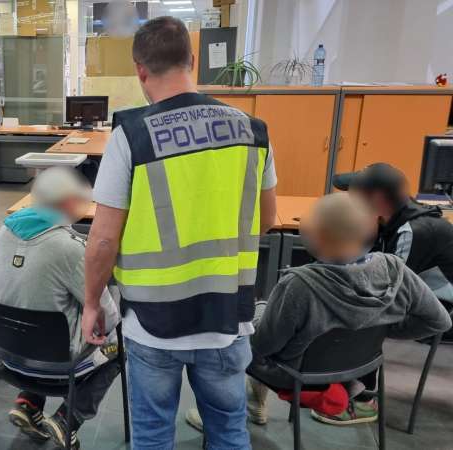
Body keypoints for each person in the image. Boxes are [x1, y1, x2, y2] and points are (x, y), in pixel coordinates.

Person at [81, 16, 278, 450]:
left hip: (154, 322)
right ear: (192, 60)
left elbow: (102, 241)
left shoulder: (130, 135)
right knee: (229, 431)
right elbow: (265, 221)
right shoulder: (253, 131)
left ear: (140, 69)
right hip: (228, 317)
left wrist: (92, 302)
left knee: (152, 434)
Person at [186, 193, 452, 430]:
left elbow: (264, 346)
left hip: (296, 377)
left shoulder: (300, 285)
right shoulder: (394, 269)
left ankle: (223, 415)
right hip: (356, 369)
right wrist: (383, 327)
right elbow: (438, 320)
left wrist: (255, 315)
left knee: (239, 330)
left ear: (317, 238)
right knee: (268, 320)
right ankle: (254, 398)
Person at [0, 167, 122, 450]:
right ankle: (67, 419)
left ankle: (27, 402)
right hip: (55, 367)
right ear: (69, 202)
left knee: (38, 311)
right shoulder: (72, 249)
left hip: (7, 355)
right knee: (121, 348)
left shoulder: (2, 232)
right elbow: (107, 318)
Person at [334, 163, 453, 306]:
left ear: (377, 199)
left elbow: (388, 290)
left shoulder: (413, 231)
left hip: (440, 313)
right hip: (417, 301)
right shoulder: (385, 220)